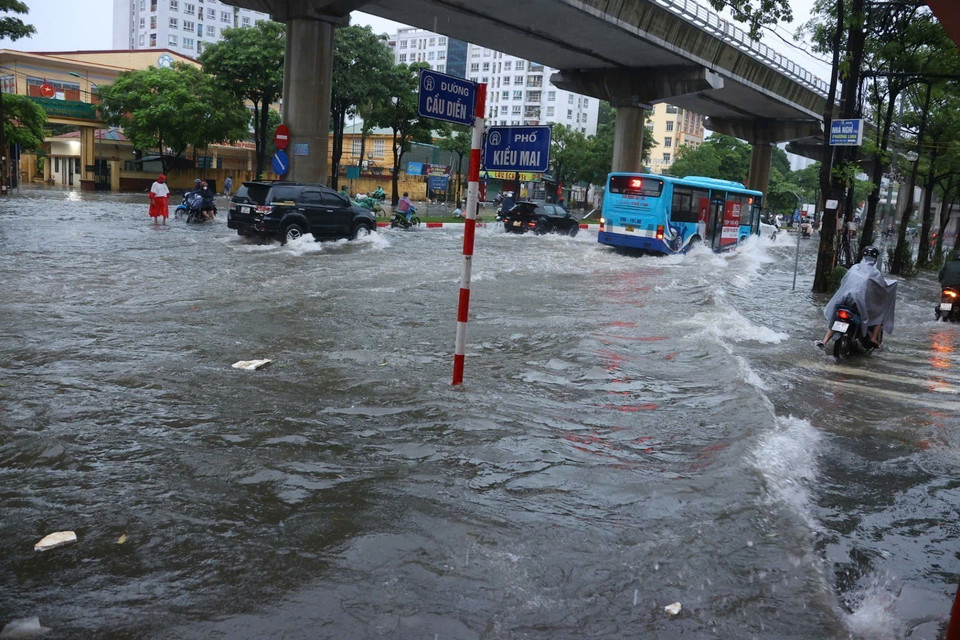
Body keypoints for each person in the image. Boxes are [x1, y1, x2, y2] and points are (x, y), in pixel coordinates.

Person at [817, 245, 897, 350]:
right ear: (875, 259)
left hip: (843, 300)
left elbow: (843, 282)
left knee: (834, 318)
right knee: (880, 315)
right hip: (860, 305)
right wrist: (892, 285)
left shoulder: (854, 268)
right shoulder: (875, 273)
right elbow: (881, 288)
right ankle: (873, 338)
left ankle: (824, 341)